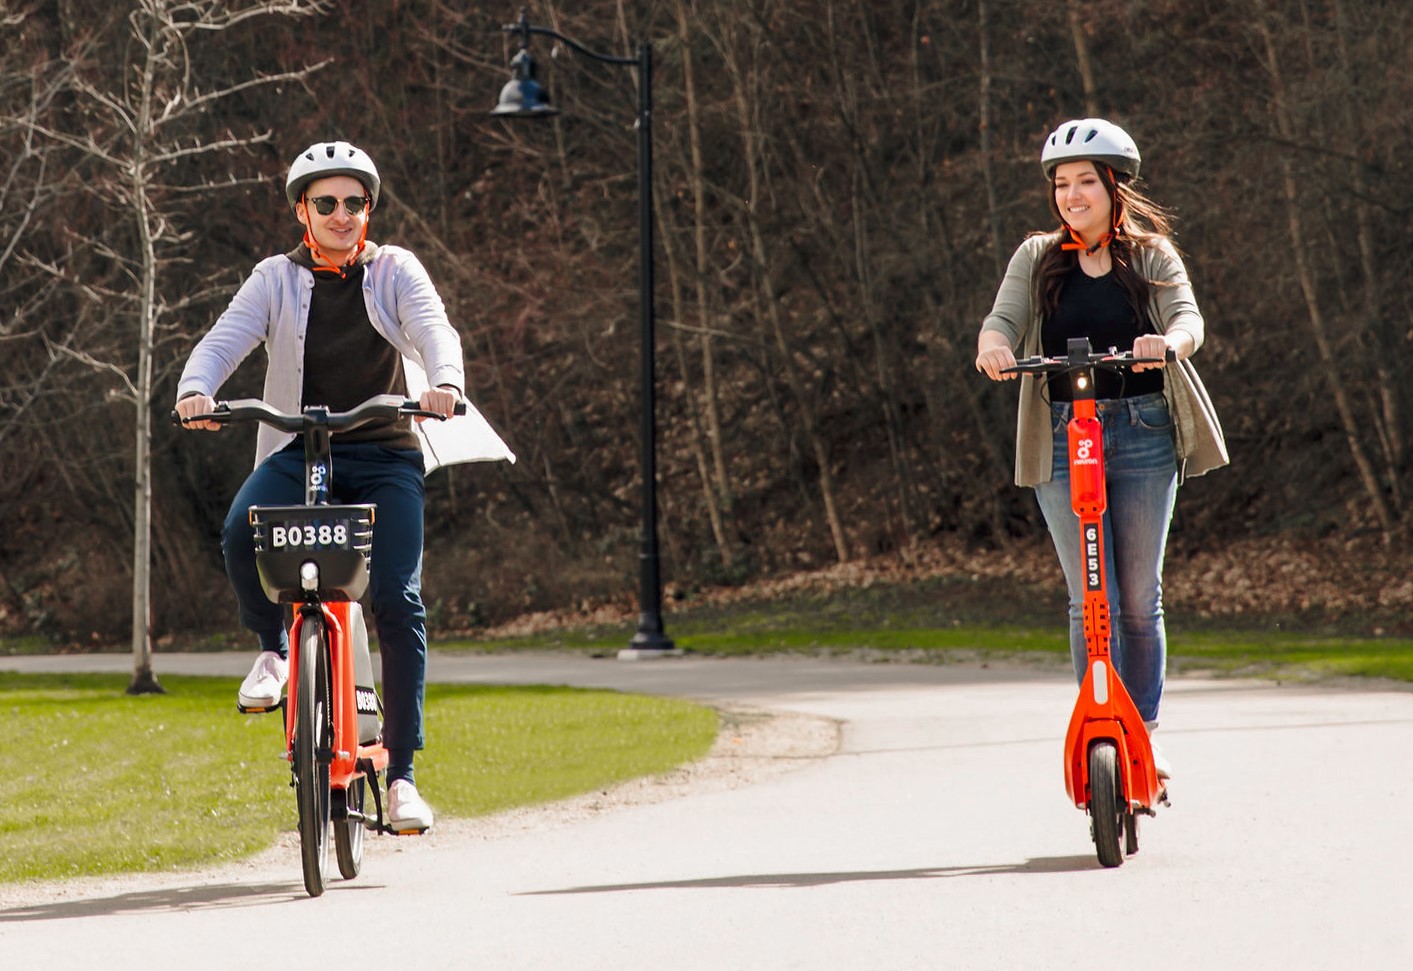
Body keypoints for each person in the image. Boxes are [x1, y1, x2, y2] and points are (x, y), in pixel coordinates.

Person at [175, 140, 514, 830]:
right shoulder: (275, 277)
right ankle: (272, 649)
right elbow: (224, 339)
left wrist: (446, 383)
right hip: (301, 449)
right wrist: (196, 387)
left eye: (353, 202)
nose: (340, 214)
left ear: (369, 209)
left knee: (396, 598)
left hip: (385, 455)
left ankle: (403, 777)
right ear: (302, 210)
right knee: (243, 528)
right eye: (325, 202)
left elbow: (432, 330)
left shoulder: (394, 270)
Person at [974, 118, 1227, 778]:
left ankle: (1142, 727)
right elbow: (1000, 319)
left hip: (1142, 430)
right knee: (1088, 597)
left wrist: (1167, 343)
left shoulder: (1149, 253)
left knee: (1138, 596)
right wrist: (992, 347)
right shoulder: (1036, 257)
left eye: (1085, 181)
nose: (1071, 195)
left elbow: (1186, 317)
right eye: (1061, 184)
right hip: (1062, 437)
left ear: (1114, 186)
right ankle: (1095, 714)